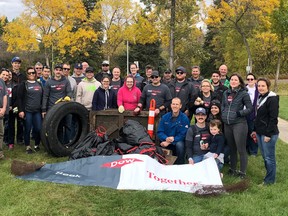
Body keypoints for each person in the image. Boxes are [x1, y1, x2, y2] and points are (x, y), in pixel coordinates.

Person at [221, 73, 253, 178]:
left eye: (235, 80)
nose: (233, 81)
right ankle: (232, 169)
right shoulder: (226, 93)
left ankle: (242, 172)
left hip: (239, 124)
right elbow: (223, 105)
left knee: (241, 149)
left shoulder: (244, 94)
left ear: (239, 82)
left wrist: (239, 113)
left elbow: (250, 108)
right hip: (227, 124)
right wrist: (223, 113)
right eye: (231, 79)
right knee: (232, 148)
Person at [253, 77, 279, 185]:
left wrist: (268, 134)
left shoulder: (272, 98)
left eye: (263, 86)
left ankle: (269, 181)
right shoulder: (260, 97)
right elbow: (258, 116)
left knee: (269, 158)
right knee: (265, 157)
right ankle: (269, 176)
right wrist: (255, 130)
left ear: (268, 86)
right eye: (259, 86)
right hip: (260, 132)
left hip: (268, 133)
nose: (260, 88)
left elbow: (273, 118)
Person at [17, 67, 43, 154]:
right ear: (27, 74)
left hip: (37, 111)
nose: (31, 74)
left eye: (33, 73)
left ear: (35, 74)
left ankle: (37, 144)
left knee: (38, 128)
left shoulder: (39, 84)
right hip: (27, 110)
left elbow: (42, 97)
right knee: (27, 128)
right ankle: (28, 146)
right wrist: (21, 110)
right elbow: (19, 98)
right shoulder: (24, 84)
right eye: (29, 73)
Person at [157, 97, 190, 164]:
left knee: (180, 145)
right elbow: (160, 131)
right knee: (159, 146)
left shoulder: (184, 118)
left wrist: (171, 141)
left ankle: (180, 164)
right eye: (173, 104)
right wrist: (165, 138)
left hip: (177, 141)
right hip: (166, 140)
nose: (175, 106)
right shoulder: (165, 117)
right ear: (171, 105)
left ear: (180, 106)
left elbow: (183, 134)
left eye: (177, 104)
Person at [9, 56, 26, 148]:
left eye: (18, 63)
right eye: (15, 63)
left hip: (20, 102)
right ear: (12, 64)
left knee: (20, 122)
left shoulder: (23, 76)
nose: (17, 64)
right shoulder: (9, 74)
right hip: (11, 102)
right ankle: (10, 141)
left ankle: (20, 139)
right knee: (11, 123)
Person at [245, 73, 259, 156]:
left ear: (255, 80)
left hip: (254, 114)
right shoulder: (243, 89)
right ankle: (246, 148)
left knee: (253, 133)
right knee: (245, 133)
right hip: (244, 114)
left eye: (252, 79)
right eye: (248, 79)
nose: (250, 80)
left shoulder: (258, 89)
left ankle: (253, 151)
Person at [0, 71, 8, 159]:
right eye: (3, 74)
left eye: (7, 75)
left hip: (1, 111)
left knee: (1, 133)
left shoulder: (2, 82)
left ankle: (0, 153)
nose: (5, 76)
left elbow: (5, 96)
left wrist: (4, 108)